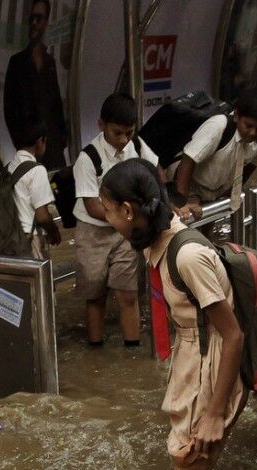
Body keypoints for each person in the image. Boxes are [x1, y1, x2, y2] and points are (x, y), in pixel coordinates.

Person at [101, 158, 247, 470]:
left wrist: (213, 414)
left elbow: (232, 335)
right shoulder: (157, 241)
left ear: (128, 210)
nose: (106, 218)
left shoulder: (187, 255)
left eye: (107, 210)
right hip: (192, 357)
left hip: (211, 365)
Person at [73, 93, 158, 348]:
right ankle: (95, 348)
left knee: (128, 294)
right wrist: (127, 218)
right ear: (101, 125)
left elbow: (156, 175)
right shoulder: (87, 158)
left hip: (125, 233)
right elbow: (91, 206)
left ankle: (132, 350)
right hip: (93, 231)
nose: (123, 140)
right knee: (95, 296)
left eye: (128, 133)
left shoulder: (139, 148)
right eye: (117, 132)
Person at [168, 87, 257, 223]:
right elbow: (188, 160)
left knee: (207, 231)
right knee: (186, 229)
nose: (253, 133)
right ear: (236, 116)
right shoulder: (218, 126)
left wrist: (232, 191)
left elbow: (251, 166)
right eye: (248, 126)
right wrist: (181, 201)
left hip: (215, 191)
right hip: (188, 185)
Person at [3, 0, 68, 170]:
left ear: (46, 22)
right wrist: (22, 145)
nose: (34, 23)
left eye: (39, 19)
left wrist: (61, 138)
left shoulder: (49, 62)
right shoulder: (17, 62)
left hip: (53, 147)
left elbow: (56, 104)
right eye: (31, 18)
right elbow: (9, 109)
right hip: (30, 147)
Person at [0, 120, 61, 259]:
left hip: (6, 242)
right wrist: (54, 232)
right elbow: (42, 216)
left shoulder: (2, 174)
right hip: (30, 241)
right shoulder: (36, 170)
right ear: (40, 141)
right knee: (39, 280)